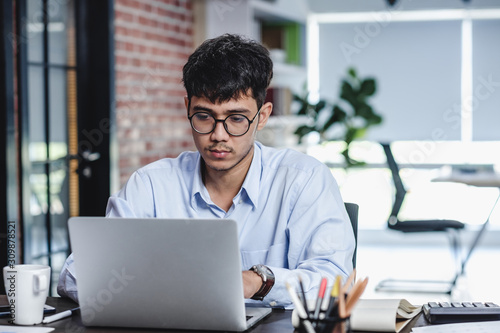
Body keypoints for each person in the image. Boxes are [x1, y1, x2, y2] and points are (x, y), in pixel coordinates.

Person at [58, 33, 355, 308]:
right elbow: (73, 276)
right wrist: (166, 284)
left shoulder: (303, 180)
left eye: (236, 119)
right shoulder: (151, 185)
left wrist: (258, 281)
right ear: (188, 108)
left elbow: (336, 280)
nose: (218, 135)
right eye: (204, 116)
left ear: (262, 116)